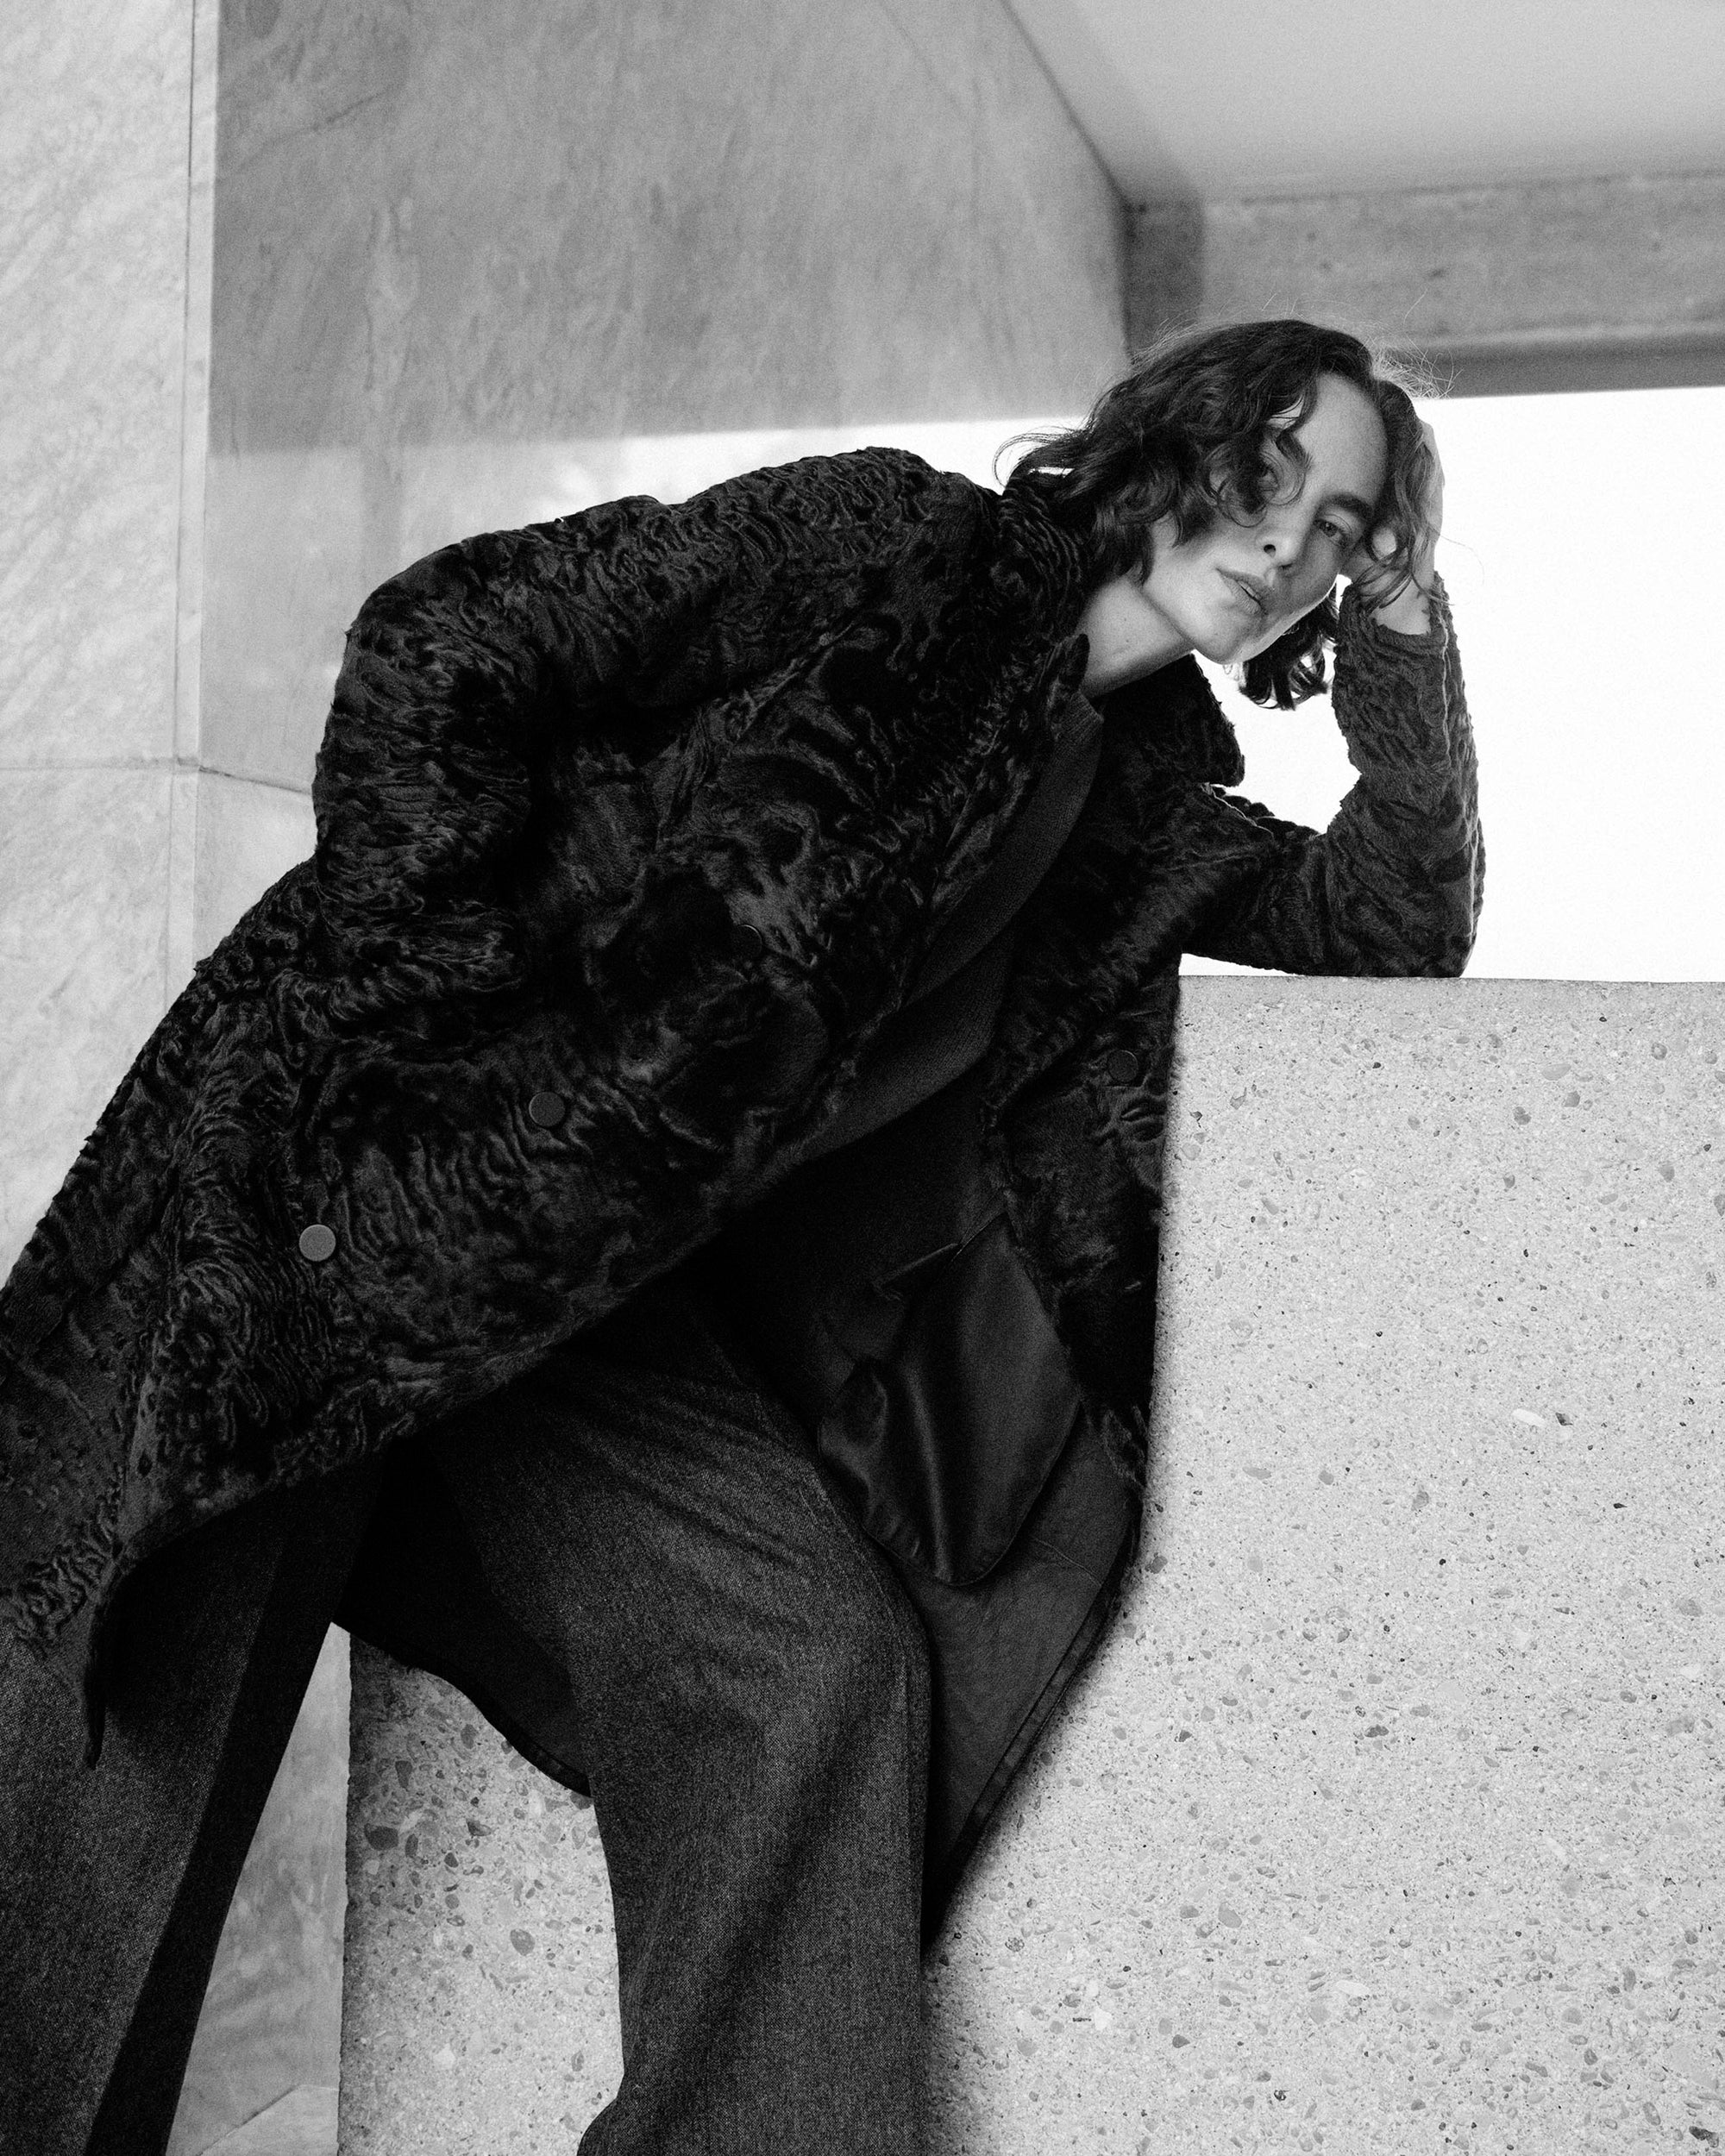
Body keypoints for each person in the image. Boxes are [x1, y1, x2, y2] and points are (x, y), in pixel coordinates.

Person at [0, 319, 1481, 2153]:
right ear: (1174, 441)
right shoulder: (902, 548)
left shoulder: (1141, 823)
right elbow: (449, 638)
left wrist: (1410, 622)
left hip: (600, 1307)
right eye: (1270, 472)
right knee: (121, 1737)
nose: (1286, 541)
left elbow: (1396, 921)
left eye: (1341, 528)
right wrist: (429, 1033)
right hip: (347, 1191)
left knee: (807, 1669)